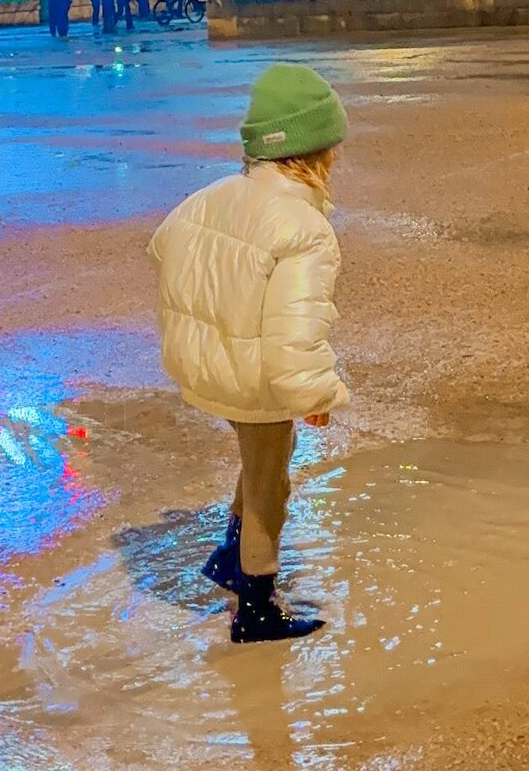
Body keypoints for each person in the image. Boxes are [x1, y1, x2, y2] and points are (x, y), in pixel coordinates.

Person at [148, 63, 349, 645]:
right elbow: (293, 333)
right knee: (269, 482)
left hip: (207, 360)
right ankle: (255, 604)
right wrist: (312, 394)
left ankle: (230, 552)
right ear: (314, 152)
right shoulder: (304, 227)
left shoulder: (213, 196)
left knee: (267, 450)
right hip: (252, 372)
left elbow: (164, 247)